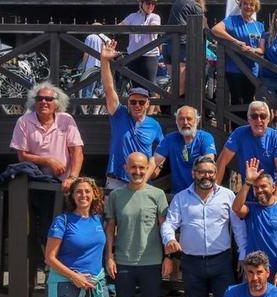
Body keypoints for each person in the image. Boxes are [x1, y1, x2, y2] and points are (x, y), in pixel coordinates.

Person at [160, 157, 248, 297]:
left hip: (221, 262)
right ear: (194, 173)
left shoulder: (227, 195)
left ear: (216, 174)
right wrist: (170, 239)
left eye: (211, 172)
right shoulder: (181, 198)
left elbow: (238, 227)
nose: (207, 176)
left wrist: (243, 254)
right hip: (191, 264)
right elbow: (169, 224)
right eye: (202, 171)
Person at [104, 152, 171, 297]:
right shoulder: (115, 196)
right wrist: (109, 256)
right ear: (126, 168)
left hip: (151, 263)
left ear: (147, 169)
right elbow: (110, 228)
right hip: (123, 263)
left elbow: (165, 228)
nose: (138, 172)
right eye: (134, 167)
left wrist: (168, 257)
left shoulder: (157, 194)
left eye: (142, 167)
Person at [11, 82, 85, 261]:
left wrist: (73, 178)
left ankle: (67, 263)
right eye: (39, 98)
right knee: (43, 227)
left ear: (56, 103)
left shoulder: (66, 119)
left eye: (48, 99)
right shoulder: (24, 121)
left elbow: (77, 152)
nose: (43, 102)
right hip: (38, 184)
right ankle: (48, 263)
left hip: (65, 185)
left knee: (70, 227)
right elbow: (21, 155)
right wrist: (48, 160)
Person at [44, 178, 111, 297]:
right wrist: (75, 276)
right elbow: (49, 257)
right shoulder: (63, 221)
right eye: (79, 192)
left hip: (96, 282)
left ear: (94, 194)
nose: (83, 195)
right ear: (72, 196)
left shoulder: (98, 220)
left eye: (87, 191)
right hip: (68, 282)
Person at [100, 39, 164, 189]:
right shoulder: (119, 114)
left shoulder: (154, 125)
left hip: (142, 180)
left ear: (148, 104)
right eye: (133, 102)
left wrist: (158, 168)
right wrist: (104, 61)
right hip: (117, 179)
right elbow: (109, 89)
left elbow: (162, 148)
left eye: (141, 103)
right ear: (128, 102)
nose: (137, 105)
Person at [233, 158, 277, 289]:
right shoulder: (251, 208)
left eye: (263, 186)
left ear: (273, 187)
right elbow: (236, 208)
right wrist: (248, 182)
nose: (259, 190)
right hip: (253, 273)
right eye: (256, 188)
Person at [217, 101, 277, 202]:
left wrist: (276, 198)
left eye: (263, 116)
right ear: (248, 119)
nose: (259, 120)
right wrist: (214, 192)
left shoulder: (276, 137)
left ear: (268, 119)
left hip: (272, 188)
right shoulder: (239, 133)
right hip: (250, 187)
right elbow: (221, 161)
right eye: (254, 116)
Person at [210, 0, 265, 109]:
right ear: (240, 5)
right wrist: (235, 41)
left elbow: (261, 49)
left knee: (249, 100)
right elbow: (215, 29)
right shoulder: (232, 20)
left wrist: (253, 49)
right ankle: (237, 127)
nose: (248, 7)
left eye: (252, 5)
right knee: (237, 101)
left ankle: (247, 126)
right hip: (234, 68)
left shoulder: (259, 26)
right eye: (245, 4)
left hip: (253, 69)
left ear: (256, 8)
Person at [152, 105, 216, 195]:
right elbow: (154, 161)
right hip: (178, 195)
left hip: (200, 193)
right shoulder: (170, 138)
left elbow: (209, 163)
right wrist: (142, 181)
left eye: (189, 119)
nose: (185, 122)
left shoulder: (205, 138)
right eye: (181, 119)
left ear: (197, 121)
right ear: (177, 122)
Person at [165, 0, 207, 99]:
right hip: (182, 46)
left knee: (174, 82)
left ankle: (167, 107)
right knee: (181, 85)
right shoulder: (195, 6)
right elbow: (203, 26)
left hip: (168, 44)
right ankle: (168, 109)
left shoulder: (177, 2)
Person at [119, 0, 161, 87]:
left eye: (153, 4)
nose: (151, 6)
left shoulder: (155, 17)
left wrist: (150, 26)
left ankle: (154, 101)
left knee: (150, 86)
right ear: (140, 3)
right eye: (148, 3)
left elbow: (154, 26)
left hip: (150, 55)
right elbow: (120, 26)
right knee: (136, 86)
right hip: (133, 55)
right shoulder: (132, 16)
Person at [78, 27, 110, 113]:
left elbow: (86, 52)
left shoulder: (90, 37)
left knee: (87, 92)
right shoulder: (106, 38)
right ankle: (96, 112)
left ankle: (85, 112)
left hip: (91, 67)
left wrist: (82, 66)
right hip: (104, 68)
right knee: (99, 92)